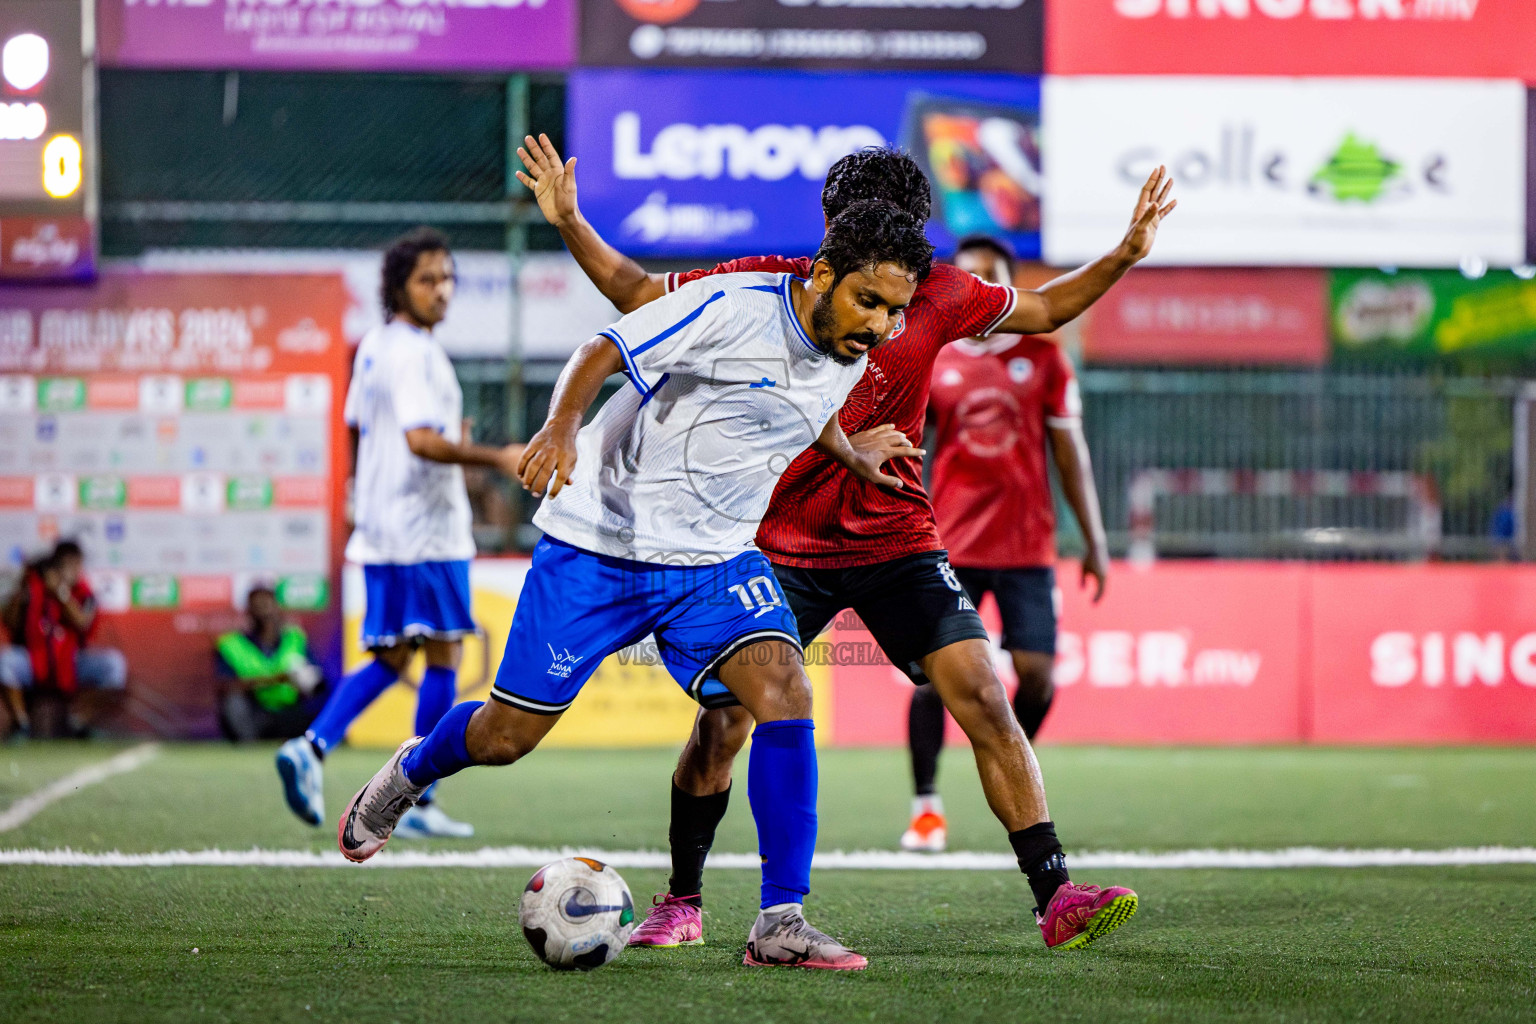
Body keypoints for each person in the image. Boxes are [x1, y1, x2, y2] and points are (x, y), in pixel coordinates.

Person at [515, 135, 1173, 952]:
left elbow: (1045, 311)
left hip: (898, 536)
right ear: (833, 234)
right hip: (776, 545)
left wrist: (1126, 253)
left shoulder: (942, 291)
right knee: (723, 728)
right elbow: (639, 294)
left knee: (985, 694)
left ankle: (1055, 894)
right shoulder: (776, 283)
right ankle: (682, 899)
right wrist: (572, 222)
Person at [336, 199, 931, 972]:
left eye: (896, 310)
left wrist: (848, 453)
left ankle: (780, 921)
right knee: (507, 737)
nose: (882, 325)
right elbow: (603, 348)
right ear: (821, 274)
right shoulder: (730, 306)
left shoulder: (849, 347)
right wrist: (558, 429)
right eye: (869, 301)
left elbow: (798, 403)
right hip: (600, 542)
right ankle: (411, 770)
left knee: (785, 692)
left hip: (715, 559)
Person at [274, 227, 525, 840]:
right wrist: (494, 457)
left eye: (447, 279)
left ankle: (311, 745)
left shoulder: (374, 347)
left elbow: (365, 426)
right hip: (425, 532)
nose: (442, 291)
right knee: (443, 652)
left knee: (390, 655)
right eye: (427, 280)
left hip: (384, 528)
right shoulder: (416, 352)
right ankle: (419, 797)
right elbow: (419, 440)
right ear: (398, 287)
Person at [901, 234, 1111, 854]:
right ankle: (926, 809)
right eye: (968, 280)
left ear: (1009, 287)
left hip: (1026, 549)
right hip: (950, 548)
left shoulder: (1045, 358)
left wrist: (1094, 542)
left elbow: (1070, 453)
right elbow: (905, 443)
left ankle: (1010, 772)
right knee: (933, 681)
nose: (977, 291)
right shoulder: (935, 359)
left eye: (989, 279)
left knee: (1038, 678)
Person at [0, 540, 127, 739]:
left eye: (78, 564)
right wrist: (24, 585)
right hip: (34, 660)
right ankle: (21, 724)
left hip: (72, 661)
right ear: (57, 566)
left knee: (113, 665)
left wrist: (60, 592)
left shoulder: (84, 594)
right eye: (70, 565)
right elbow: (9, 622)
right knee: (5, 662)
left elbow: (82, 623)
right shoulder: (34, 590)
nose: (76, 570)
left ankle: (78, 723)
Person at [215, 585, 325, 743]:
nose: (264, 613)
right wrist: (275, 679)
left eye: (267, 605)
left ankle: (316, 742)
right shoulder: (232, 643)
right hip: (255, 712)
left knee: (322, 700)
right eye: (257, 607)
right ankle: (248, 750)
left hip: (290, 711)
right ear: (249, 611)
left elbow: (318, 680)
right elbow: (225, 686)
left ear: (277, 608)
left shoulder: (295, 638)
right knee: (234, 703)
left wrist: (305, 681)